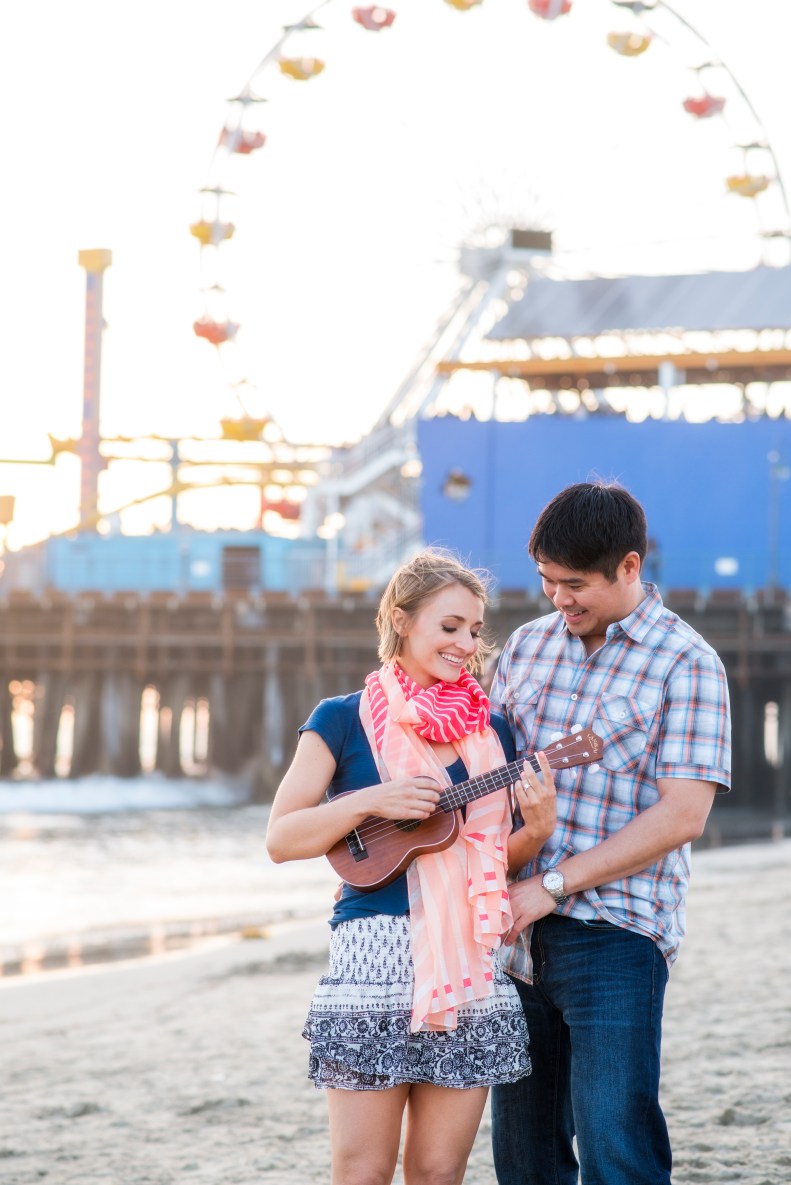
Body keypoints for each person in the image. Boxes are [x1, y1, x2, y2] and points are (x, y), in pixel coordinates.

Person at [266, 549, 557, 1185]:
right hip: (373, 957)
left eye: (475, 630)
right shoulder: (341, 719)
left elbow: (492, 866)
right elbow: (283, 838)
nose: (466, 644)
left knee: (436, 1171)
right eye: (450, 626)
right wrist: (372, 800)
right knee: (364, 1171)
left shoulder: (494, 735)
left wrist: (535, 830)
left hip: (469, 967)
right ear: (402, 620)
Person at [489, 481, 731, 1185]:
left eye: (574, 584)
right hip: (512, 937)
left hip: (617, 933)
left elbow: (682, 814)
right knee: (524, 1154)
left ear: (628, 567)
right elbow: (487, 778)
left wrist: (550, 884)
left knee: (614, 1142)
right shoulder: (528, 647)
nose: (558, 599)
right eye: (545, 581)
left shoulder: (686, 663)